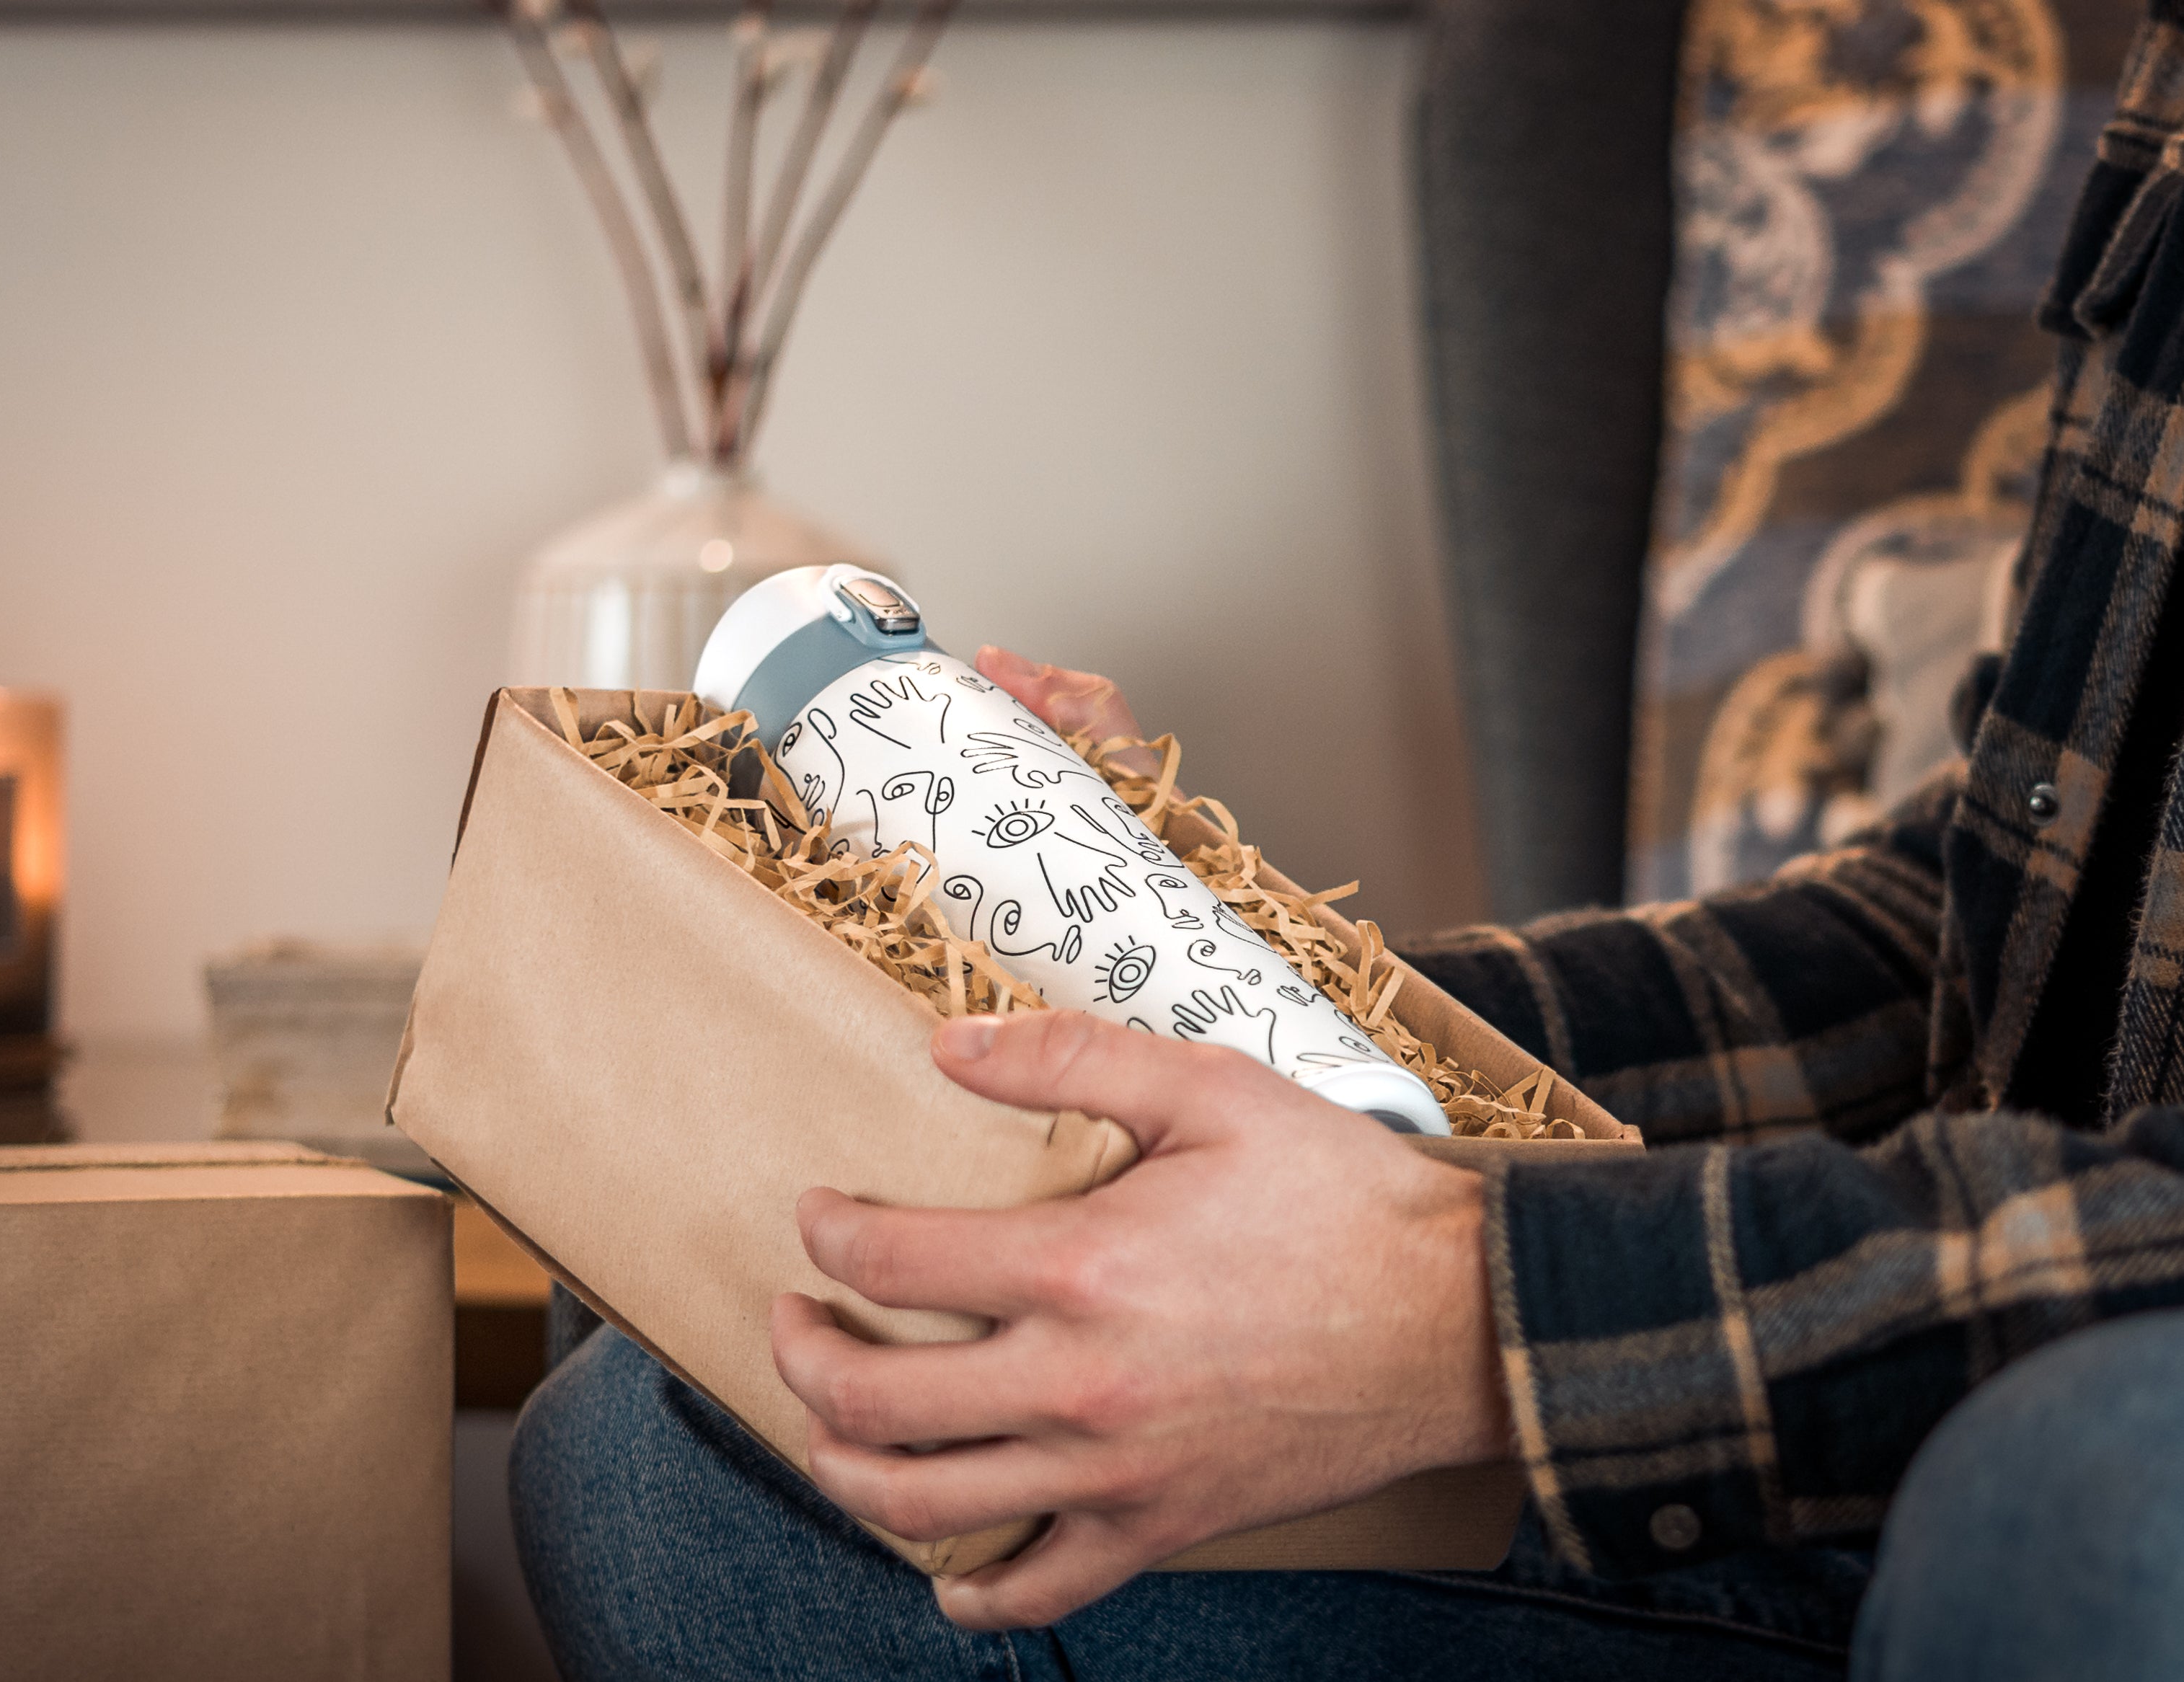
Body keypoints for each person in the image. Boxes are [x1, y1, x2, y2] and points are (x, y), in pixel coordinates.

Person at [510, 8, 2184, 1676]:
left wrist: (1475, 1313)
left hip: (2060, 1471)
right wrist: (1260, 993)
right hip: (1908, 1387)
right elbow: (1979, 935)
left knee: (2082, 1493)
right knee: (671, 1448)